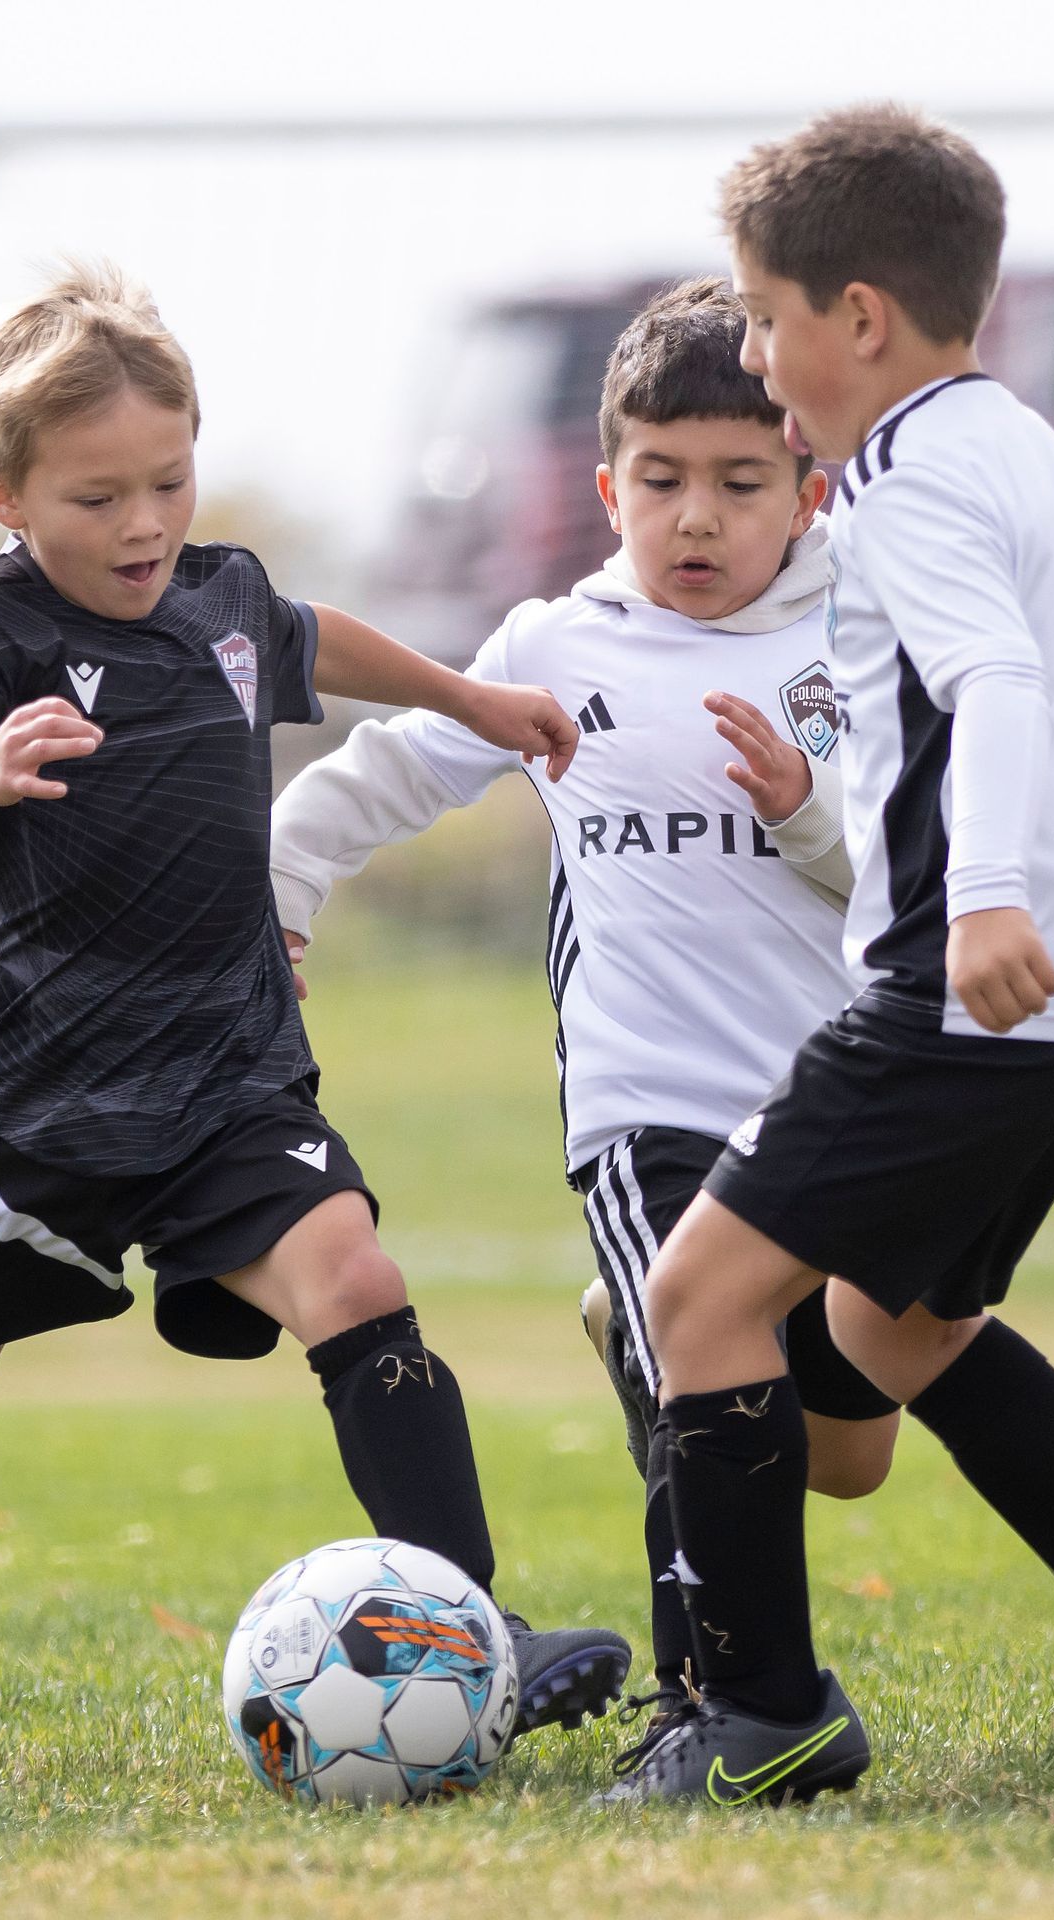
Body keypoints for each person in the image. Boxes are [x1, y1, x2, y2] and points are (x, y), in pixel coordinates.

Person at [0, 261, 631, 1739]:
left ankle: (475, 1634)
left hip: (230, 1079)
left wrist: (473, 699)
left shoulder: (222, 600)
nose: (144, 523)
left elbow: (315, 636)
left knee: (358, 1284)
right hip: (32, 1108)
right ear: (4, 497)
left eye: (168, 482)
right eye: (98, 497)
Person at [608, 106, 1054, 1806]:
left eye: (768, 321)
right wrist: (1051, 858)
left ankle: (762, 1718)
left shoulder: (900, 476)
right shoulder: (1048, 459)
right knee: (891, 1330)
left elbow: (995, 680)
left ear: (859, 318)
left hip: (959, 990)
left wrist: (987, 893)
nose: (760, 361)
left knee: (696, 1298)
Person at [268, 279, 902, 1776]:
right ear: (610, 490)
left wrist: (809, 814)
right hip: (649, 1111)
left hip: (829, 1112)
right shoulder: (560, 647)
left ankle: (647, 1356)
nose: (697, 518)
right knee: (706, 1375)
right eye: (662, 481)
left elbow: (914, 879)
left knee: (844, 1455)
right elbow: (381, 774)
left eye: (739, 482)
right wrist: (278, 895)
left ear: (808, 492)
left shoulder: (856, 642)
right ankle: (713, 1702)